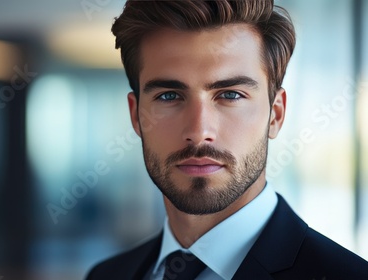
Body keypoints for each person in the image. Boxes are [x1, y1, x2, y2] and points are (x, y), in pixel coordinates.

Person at [86, 0, 368, 279]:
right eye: (169, 96)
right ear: (136, 116)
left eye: (230, 95)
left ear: (275, 115)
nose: (199, 131)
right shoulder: (106, 275)